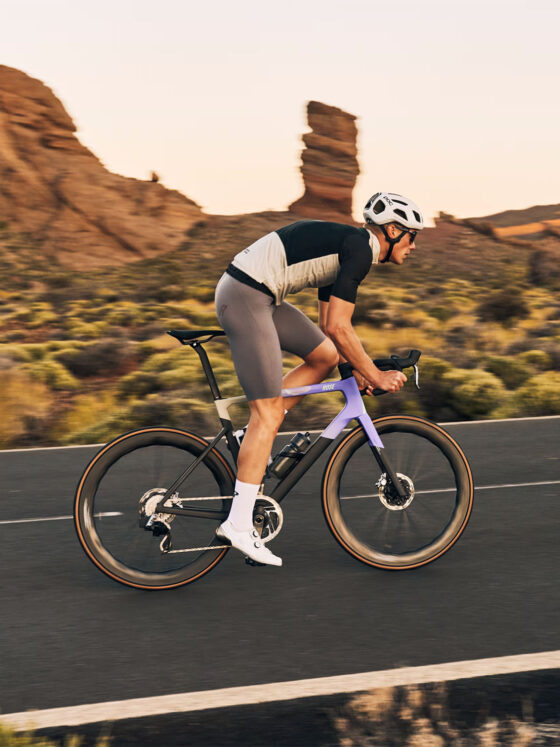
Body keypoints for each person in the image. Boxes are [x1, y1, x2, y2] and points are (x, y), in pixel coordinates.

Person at [214, 192, 424, 566]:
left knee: (323, 356)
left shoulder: (350, 250)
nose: (414, 245)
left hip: (259, 294)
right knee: (269, 415)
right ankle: (239, 525)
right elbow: (339, 325)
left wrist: (357, 373)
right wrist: (374, 373)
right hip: (246, 296)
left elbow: (333, 335)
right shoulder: (359, 250)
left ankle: (252, 438)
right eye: (412, 236)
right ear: (392, 230)